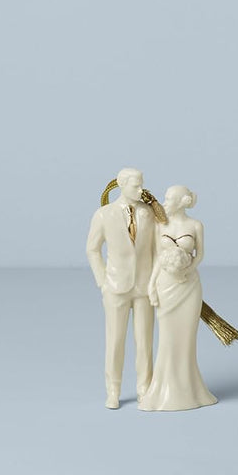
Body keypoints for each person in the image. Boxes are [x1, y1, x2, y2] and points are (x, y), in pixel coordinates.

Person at [139, 185, 217, 411]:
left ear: (182, 202)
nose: (165, 203)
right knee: (167, 338)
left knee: (187, 339)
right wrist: (151, 285)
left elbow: (200, 254)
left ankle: (190, 391)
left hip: (189, 286)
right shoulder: (160, 226)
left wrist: (187, 269)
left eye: (169, 199)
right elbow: (157, 258)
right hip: (165, 286)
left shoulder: (195, 225)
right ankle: (163, 391)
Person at [86, 168, 155, 409]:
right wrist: (103, 281)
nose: (140, 189)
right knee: (115, 341)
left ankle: (144, 388)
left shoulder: (149, 213)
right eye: (136, 186)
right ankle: (113, 390)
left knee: (144, 342)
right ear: (121, 185)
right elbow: (93, 249)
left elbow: (156, 248)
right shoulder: (104, 214)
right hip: (116, 286)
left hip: (144, 286)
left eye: (141, 184)